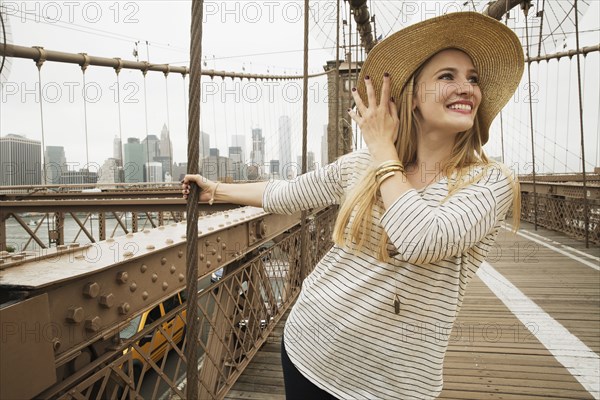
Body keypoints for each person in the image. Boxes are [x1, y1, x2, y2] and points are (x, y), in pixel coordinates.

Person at [183, 11, 524, 400]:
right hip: (309, 349)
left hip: (394, 384)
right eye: (448, 76)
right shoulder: (360, 165)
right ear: (411, 96)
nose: (467, 88)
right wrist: (217, 191)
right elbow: (288, 193)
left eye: (473, 79)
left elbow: (423, 240)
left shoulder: (490, 181)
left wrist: (382, 147)